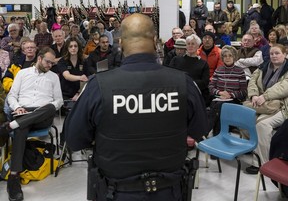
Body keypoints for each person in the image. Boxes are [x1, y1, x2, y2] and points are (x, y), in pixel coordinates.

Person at [64, 13, 208, 201]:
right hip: (169, 190)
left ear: (121, 43)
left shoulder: (98, 86)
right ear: (155, 41)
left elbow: (74, 140)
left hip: (116, 192)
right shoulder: (183, 83)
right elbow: (199, 131)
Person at [0, 47, 63, 201]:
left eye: (52, 63)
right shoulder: (22, 73)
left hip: (43, 115)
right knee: (22, 127)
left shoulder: (54, 77)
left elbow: (59, 100)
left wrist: (50, 107)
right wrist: (17, 108)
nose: (50, 65)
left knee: (49, 107)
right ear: (39, 58)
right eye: (48, 62)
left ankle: (10, 126)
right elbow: (12, 96)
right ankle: (14, 179)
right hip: (23, 112)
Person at [245, 44, 288, 174]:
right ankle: (254, 148)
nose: (274, 56)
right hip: (261, 103)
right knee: (245, 120)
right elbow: (253, 80)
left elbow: (284, 87)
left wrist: (265, 96)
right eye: (272, 54)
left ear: (285, 54)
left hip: (283, 107)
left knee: (262, 125)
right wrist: (253, 95)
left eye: (277, 53)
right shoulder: (263, 67)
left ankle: (261, 164)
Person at [208, 45, 247, 136]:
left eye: (230, 55)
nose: (227, 58)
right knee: (217, 105)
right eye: (225, 56)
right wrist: (220, 92)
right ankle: (219, 134)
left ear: (234, 57)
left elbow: (244, 92)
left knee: (219, 106)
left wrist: (230, 95)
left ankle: (209, 132)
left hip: (234, 100)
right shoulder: (219, 70)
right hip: (219, 98)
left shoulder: (239, 71)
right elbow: (211, 87)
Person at [170, 34, 210, 106]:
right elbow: (170, 76)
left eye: (193, 44)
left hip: (196, 94)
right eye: (188, 44)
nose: (190, 46)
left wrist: (189, 84)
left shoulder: (203, 64)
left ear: (198, 46)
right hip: (178, 93)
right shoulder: (176, 60)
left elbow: (204, 82)